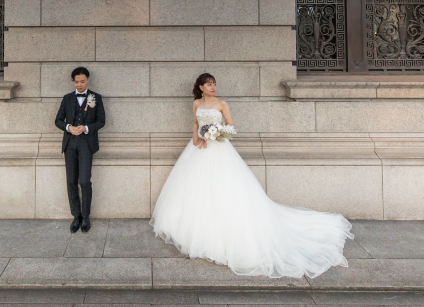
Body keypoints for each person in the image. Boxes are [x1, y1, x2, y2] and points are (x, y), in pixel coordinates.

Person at [150, 72, 353, 279]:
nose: (213, 87)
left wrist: (215, 133)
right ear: (200, 87)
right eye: (209, 84)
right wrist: (198, 136)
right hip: (198, 150)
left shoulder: (222, 104)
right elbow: (195, 123)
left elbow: (230, 125)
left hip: (219, 150)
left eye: (215, 84)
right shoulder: (196, 104)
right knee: (196, 188)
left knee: (225, 187)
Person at [54, 67, 105, 233]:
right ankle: (76, 216)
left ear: (88, 79)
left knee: (84, 181)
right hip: (70, 144)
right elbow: (58, 120)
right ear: (73, 81)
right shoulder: (67, 98)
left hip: (86, 144)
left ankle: (85, 216)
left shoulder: (95, 98)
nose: (79, 84)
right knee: (71, 181)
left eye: (82, 81)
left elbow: (101, 121)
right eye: (76, 82)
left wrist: (86, 128)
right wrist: (69, 127)